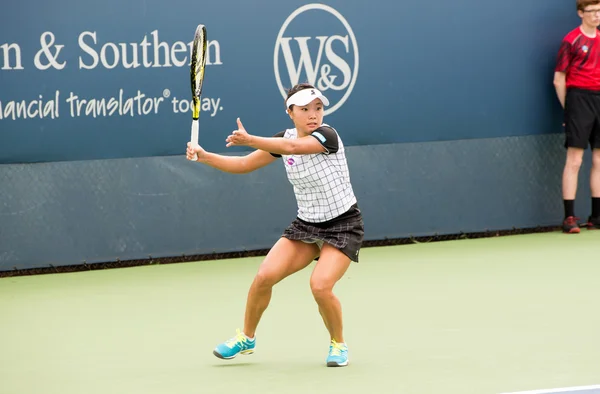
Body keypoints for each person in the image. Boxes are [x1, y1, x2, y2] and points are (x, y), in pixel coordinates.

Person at [185, 83, 364, 367]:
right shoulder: (283, 140)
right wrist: (205, 156)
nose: (313, 114)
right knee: (264, 276)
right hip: (307, 225)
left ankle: (338, 344)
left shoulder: (327, 136)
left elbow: (292, 147)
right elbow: (243, 165)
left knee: (319, 285)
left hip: (343, 225)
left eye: (317, 107)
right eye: (304, 109)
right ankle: (246, 337)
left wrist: (252, 139)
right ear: (290, 112)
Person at [554, 0, 600, 233]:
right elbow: (559, 78)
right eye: (592, 11)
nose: (597, 16)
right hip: (578, 100)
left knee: (599, 161)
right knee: (575, 160)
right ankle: (569, 218)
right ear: (580, 13)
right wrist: (568, 109)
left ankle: (597, 217)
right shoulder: (571, 40)